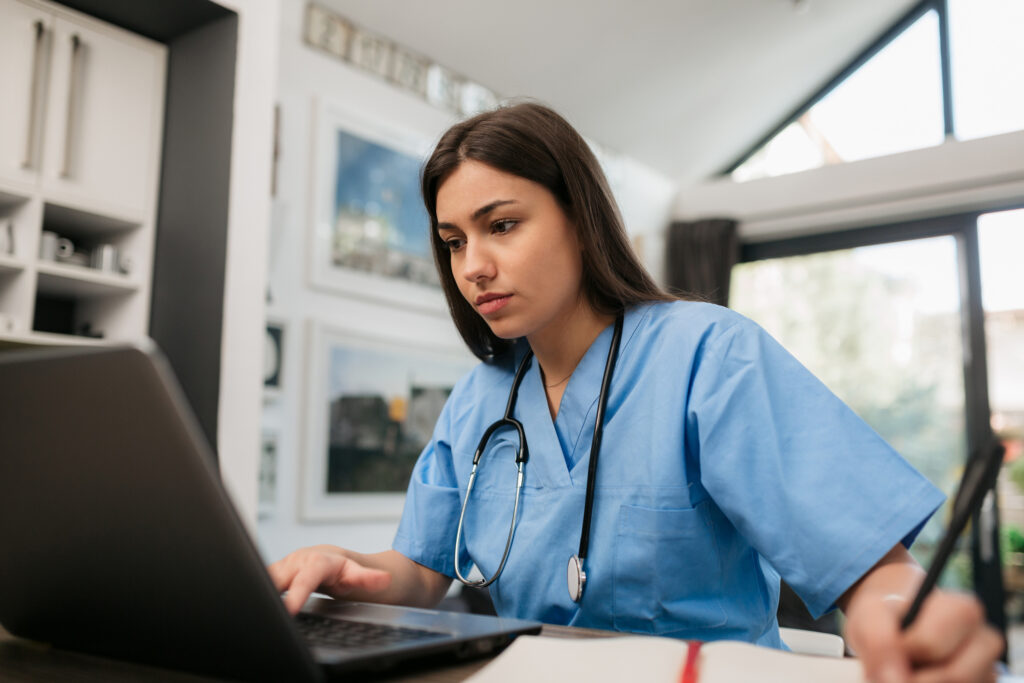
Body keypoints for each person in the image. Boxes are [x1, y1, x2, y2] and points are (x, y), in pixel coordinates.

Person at [270, 102, 1003, 682]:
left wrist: (901, 620)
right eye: (455, 240)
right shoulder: (479, 399)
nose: (475, 266)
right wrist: (347, 571)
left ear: (582, 223)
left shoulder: (710, 355)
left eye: (501, 225)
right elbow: (422, 575)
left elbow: (875, 571)